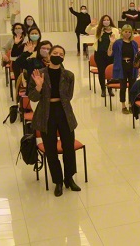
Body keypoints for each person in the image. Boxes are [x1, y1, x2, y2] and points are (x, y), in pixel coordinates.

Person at [28, 45, 80, 197]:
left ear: (64, 57)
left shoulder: (69, 75)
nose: (58, 55)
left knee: (68, 146)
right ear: (49, 56)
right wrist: (38, 87)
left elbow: (68, 96)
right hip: (46, 113)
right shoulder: (39, 74)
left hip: (64, 113)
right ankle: (57, 181)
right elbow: (32, 97)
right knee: (50, 149)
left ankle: (69, 178)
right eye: (55, 53)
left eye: (61, 54)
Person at [108, 24, 140, 114]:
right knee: (123, 87)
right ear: (122, 32)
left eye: (129, 32)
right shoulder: (118, 42)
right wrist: (111, 43)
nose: (127, 34)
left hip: (132, 66)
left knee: (132, 87)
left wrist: (139, 67)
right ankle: (123, 105)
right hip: (122, 66)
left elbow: (137, 56)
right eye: (126, 32)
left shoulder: (134, 43)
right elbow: (109, 54)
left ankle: (131, 104)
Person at [85, 15, 119, 97]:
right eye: (104, 20)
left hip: (111, 54)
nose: (106, 21)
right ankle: (103, 89)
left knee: (110, 72)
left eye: (108, 20)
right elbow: (88, 31)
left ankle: (110, 89)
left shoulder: (115, 30)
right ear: (102, 21)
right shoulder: (98, 29)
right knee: (101, 71)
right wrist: (91, 25)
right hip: (100, 54)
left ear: (110, 21)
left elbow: (117, 41)